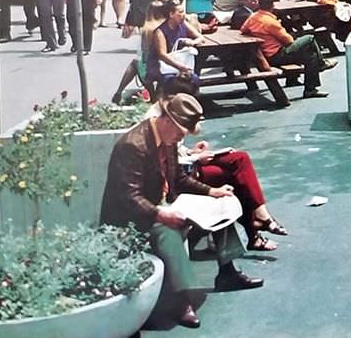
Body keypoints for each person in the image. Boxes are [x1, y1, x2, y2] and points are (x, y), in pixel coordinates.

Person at [99, 94, 264, 330]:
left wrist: (211, 192)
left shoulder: (167, 139)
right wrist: (160, 213)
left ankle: (227, 271)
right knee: (167, 229)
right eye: (180, 130)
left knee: (221, 205)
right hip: (132, 216)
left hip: (163, 203)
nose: (182, 136)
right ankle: (180, 299)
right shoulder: (133, 145)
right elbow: (128, 197)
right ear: (165, 120)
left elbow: (178, 178)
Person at [241, 0, 334, 98]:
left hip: (264, 54)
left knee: (311, 56)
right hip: (277, 55)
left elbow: (243, 29)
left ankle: (309, 88)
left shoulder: (252, 17)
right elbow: (288, 41)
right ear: (272, 6)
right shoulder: (271, 22)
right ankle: (321, 64)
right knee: (309, 38)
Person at [146, 0, 203, 96]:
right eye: (180, 12)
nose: (183, 15)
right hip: (161, 65)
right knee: (171, 80)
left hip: (180, 62)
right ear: (171, 14)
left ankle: (192, 104)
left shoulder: (183, 25)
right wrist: (180, 67)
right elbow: (162, 55)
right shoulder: (160, 32)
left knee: (194, 79)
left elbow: (200, 37)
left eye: (183, 12)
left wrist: (192, 42)